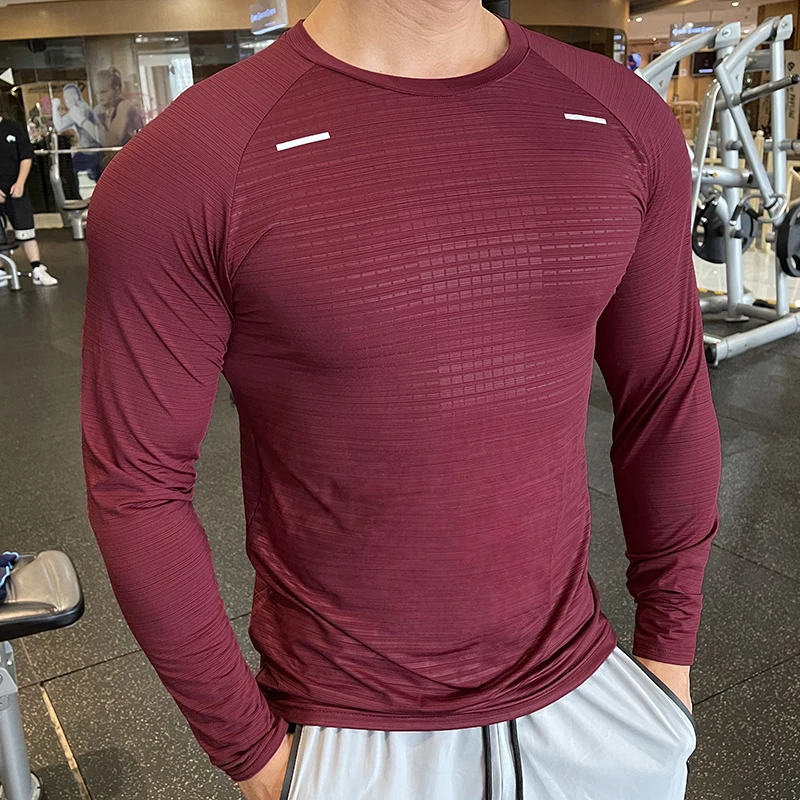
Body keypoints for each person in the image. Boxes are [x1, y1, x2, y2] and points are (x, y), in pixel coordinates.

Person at [81, 2, 722, 800]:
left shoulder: (621, 116)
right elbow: (136, 486)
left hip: (595, 705)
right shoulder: (188, 164)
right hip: (352, 736)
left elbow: (666, 394)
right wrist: (256, 759)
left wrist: (668, 662)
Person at [0, 115, 57, 287]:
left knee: (26, 230)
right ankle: (1, 270)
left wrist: (20, 183)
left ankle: (37, 268)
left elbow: (26, 156)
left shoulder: (13, 127)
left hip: (16, 189)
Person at [52, 83, 105, 182]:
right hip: (94, 151)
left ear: (75, 97)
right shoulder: (85, 107)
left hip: (90, 152)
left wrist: (54, 106)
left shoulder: (77, 110)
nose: (66, 101)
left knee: (68, 170)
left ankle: (73, 189)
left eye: (68, 98)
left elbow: (59, 126)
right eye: (65, 98)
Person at [93, 68, 143, 148]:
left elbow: (113, 140)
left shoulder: (125, 106)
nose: (99, 97)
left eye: (103, 92)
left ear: (117, 90)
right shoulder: (99, 110)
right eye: (97, 93)